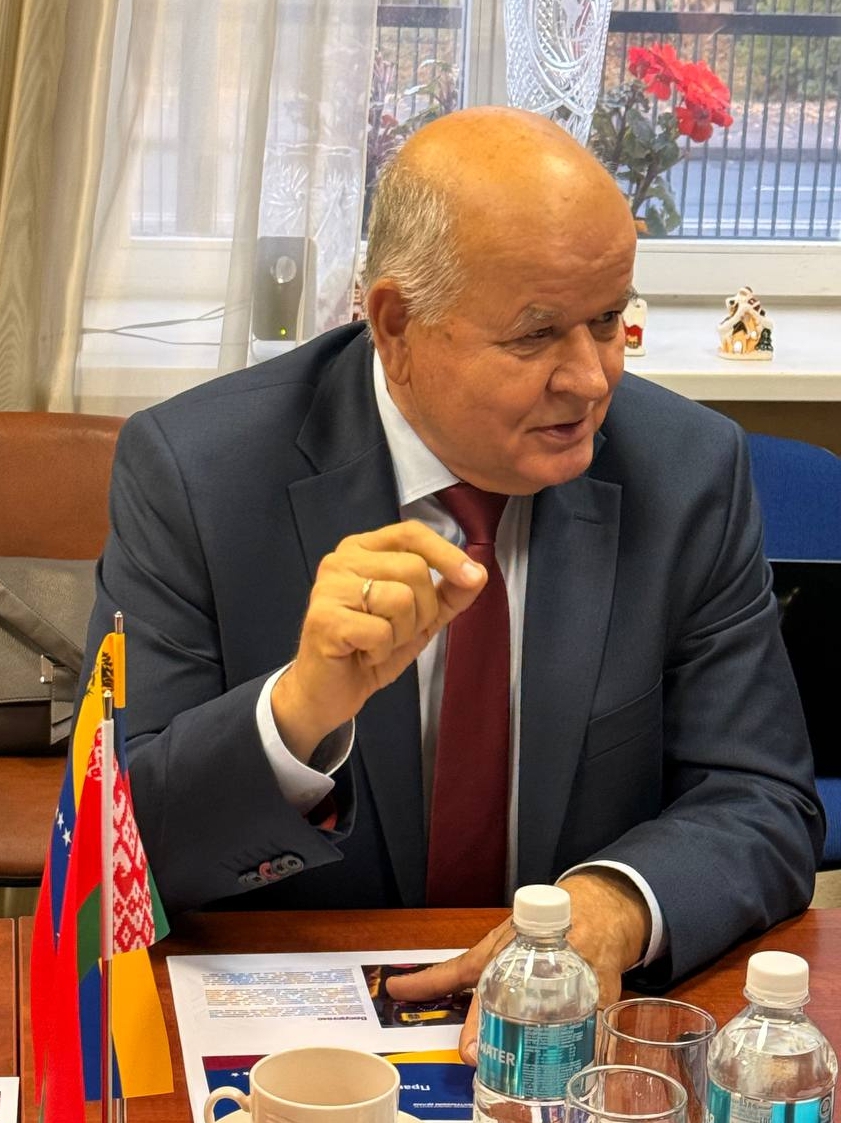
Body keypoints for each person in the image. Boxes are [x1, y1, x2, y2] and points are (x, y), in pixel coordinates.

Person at [82, 107, 822, 1060]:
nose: (591, 378)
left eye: (607, 320)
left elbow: (762, 799)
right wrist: (298, 712)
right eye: (536, 334)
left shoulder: (686, 471)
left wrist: (613, 905)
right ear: (395, 324)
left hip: (567, 1041)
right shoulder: (196, 472)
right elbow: (116, 850)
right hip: (291, 1038)